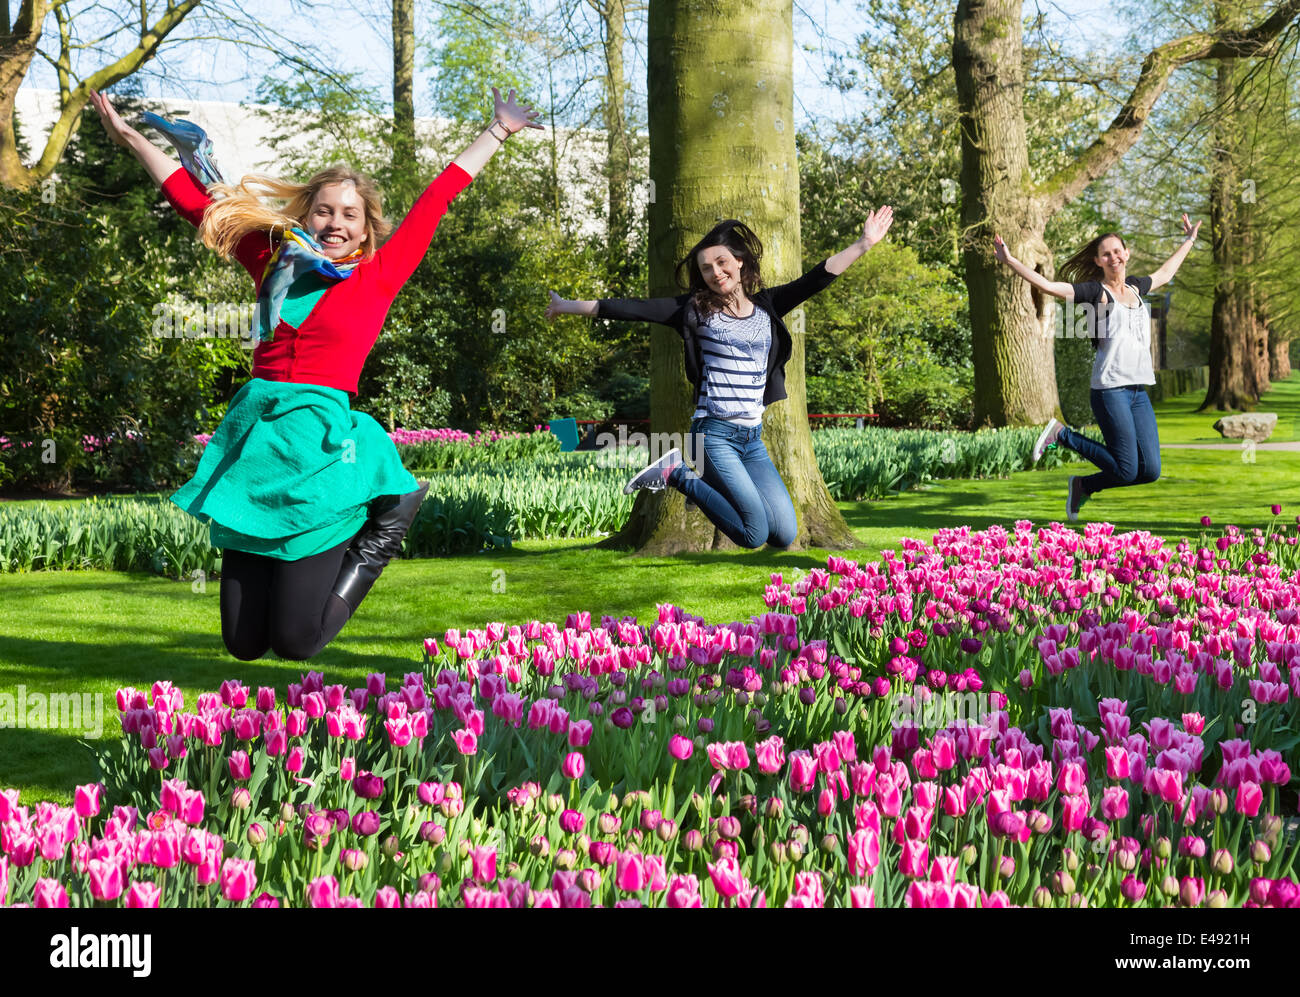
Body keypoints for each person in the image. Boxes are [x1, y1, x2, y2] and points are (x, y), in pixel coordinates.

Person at [89, 86, 541, 660]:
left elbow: (435, 200)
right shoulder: (274, 262)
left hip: (322, 451)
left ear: (365, 227)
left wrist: (496, 132)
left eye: (349, 214)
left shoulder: (378, 277)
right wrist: (131, 139)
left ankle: (382, 529)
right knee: (244, 644)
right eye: (324, 210)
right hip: (258, 448)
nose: (335, 222)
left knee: (297, 642)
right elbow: (197, 204)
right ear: (306, 215)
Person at [545, 209, 893, 548]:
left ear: (739, 261)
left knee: (783, 534)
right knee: (752, 534)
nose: (716, 272)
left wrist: (863, 244)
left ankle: (682, 473)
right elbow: (631, 308)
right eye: (706, 268)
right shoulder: (694, 310)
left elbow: (816, 279)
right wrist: (566, 306)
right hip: (713, 435)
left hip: (752, 439)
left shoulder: (767, 305)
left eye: (722, 262)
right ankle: (677, 472)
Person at [993, 217, 1199, 521]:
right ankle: (1062, 435)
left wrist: (1189, 241)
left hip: (1137, 392)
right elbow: (1049, 286)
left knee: (1150, 471)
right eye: (1106, 254)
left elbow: (1165, 273)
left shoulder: (1137, 288)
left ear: (1126, 254)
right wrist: (1009, 260)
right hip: (1109, 390)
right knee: (1126, 469)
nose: (1113, 257)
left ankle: (1083, 485)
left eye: (1118, 251)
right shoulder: (1095, 293)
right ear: (1098, 261)